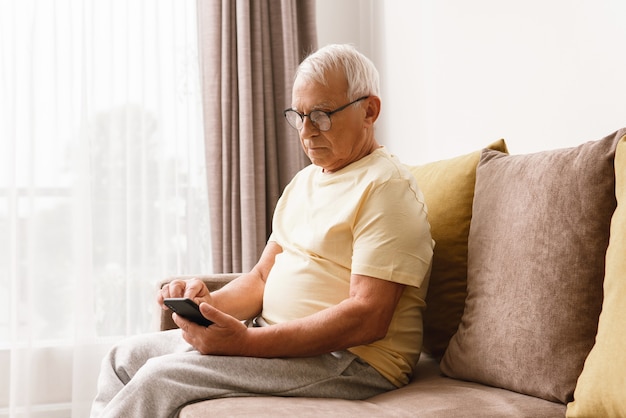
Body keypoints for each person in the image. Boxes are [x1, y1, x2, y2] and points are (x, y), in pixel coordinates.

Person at [90, 44, 434, 418]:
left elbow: (369, 316)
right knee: (121, 358)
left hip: (351, 361)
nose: (306, 131)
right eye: (299, 116)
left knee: (160, 378)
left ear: (369, 110)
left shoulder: (386, 187)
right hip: (279, 340)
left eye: (321, 115)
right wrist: (206, 305)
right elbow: (260, 277)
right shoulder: (304, 183)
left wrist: (248, 342)